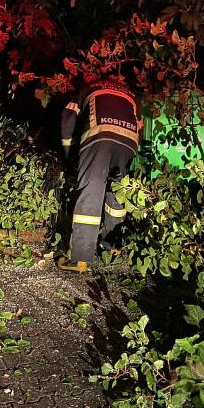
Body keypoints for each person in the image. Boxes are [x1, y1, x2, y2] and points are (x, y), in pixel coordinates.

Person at [58, 76, 141, 272]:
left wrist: (68, 152)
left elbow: (67, 119)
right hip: (129, 142)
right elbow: (140, 124)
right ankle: (113, 248)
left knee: (91, 190)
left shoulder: (87, 89)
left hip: (100, 136)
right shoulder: (129, 94)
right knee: (117, 192)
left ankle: (80, 258)